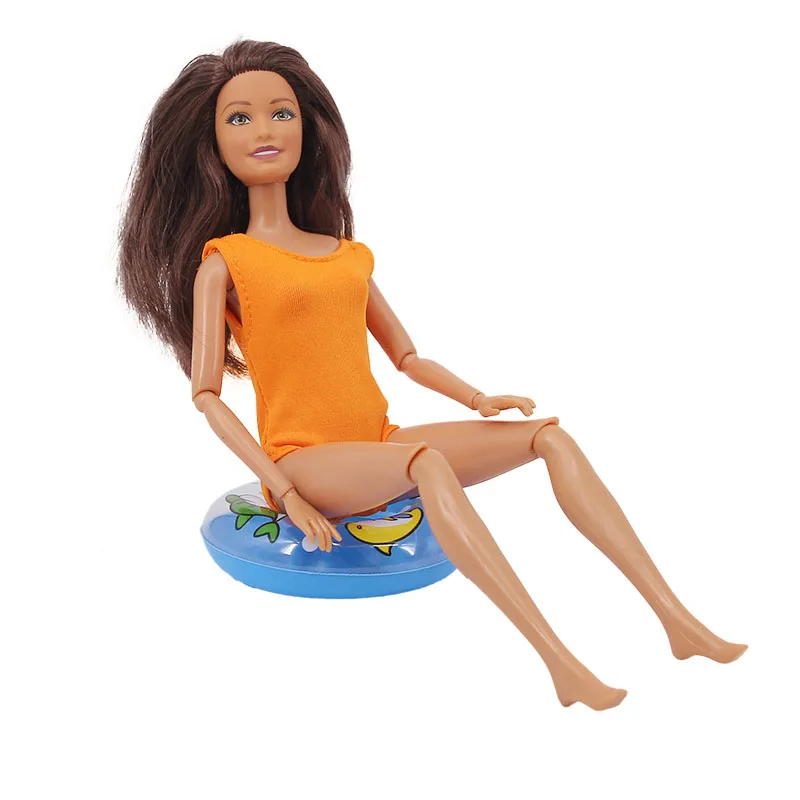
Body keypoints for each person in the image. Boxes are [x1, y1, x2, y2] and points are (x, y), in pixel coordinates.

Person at [116, 38, 747, 711]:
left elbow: (407, 357)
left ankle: (679, 624)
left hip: (378, 441)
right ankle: (561, 664)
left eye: (282, 113)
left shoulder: (345, 254)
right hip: (304, 459)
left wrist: (478, 397)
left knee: (550, 437)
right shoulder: (225, 262)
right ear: (212, 145)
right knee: (428, 464)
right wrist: (286, 491)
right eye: (239, 118)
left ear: (308, 128)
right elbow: (208, 398)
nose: (264, 130)